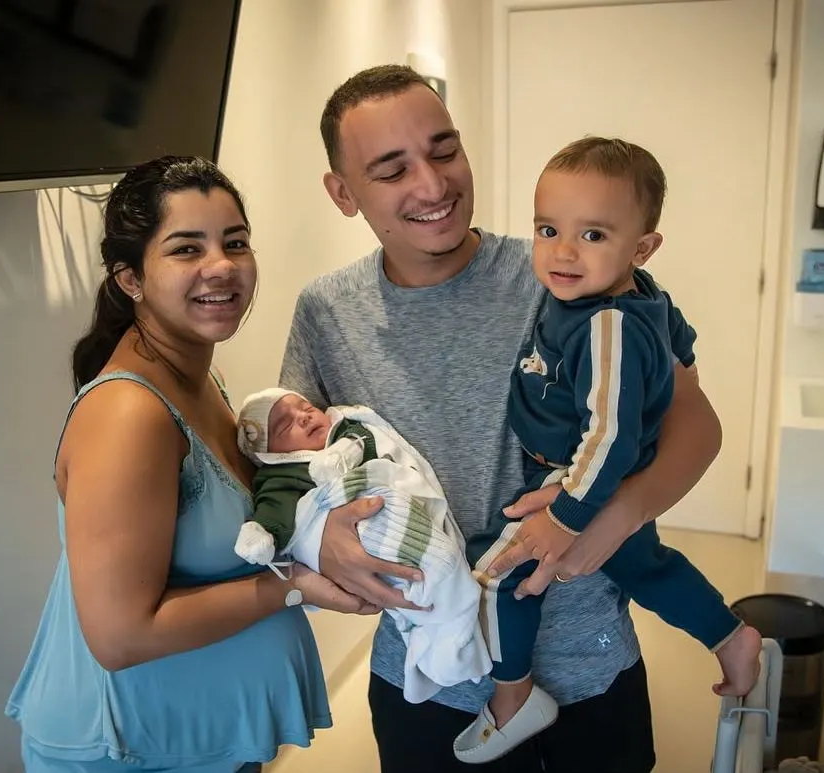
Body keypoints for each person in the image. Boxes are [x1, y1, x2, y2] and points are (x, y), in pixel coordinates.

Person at [279, 64, 724, 772]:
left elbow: (697, 426)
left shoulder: (569, 268)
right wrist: (320, 543)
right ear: (343, 192)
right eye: (391, 169)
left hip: (588, 660)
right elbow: (294, 470)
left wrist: (604, 520)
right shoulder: (328, 310)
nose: (431, 185)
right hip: (426, 676)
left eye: (444, 150)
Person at [4, 156, 381, 773]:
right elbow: (121, 636)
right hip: (129, 749)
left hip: (198, 739)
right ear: (130, 278)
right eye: (186, 248)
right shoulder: (130, 414)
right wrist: (290, 587)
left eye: (236, 243)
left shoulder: (201, 381)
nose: (222, 267)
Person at [452, 136, 762, 763]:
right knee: (644, 566)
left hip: (580, 476)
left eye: (593, 235)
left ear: (641, 247)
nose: (563, 252)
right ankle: (730, 636)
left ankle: (514, 699)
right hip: (591, 473)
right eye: (547, 229)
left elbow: (610, 436)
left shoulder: (607, 324)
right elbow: (680, 341)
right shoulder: (638, 293)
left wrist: (566, 514)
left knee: (495, 574)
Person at [232, 388, 493, 706]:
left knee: (445, 564)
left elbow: (364, 442)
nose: (304, 416)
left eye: (306, 407)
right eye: (287, 426)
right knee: (422, 587)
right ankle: (442, 637)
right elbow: (276, 508)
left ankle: (452, 633)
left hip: (396, 509)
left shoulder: (345, 431)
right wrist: (262, 533)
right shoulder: (281, 475)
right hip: (370, 542)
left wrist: (341, 455)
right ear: (272, 454)